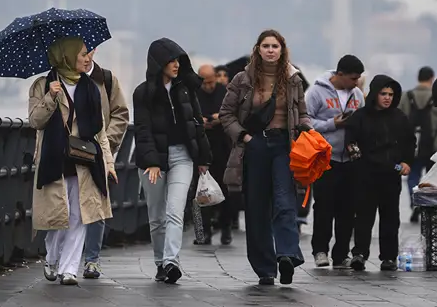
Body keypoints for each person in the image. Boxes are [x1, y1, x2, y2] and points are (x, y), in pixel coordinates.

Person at [220, 29, 312, 286]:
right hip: (256, 144)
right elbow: (226, 114)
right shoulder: (243, 79)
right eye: (266, 46)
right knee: (256, 207)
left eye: (275, 46)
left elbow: (302, 112)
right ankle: (264, 268)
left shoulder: (293, 79)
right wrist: (246, 138)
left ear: (282, 50)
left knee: (285, 200)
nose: (271, 50)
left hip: (285, 145)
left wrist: (307, 129)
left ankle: (286, 255)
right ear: (258, 49)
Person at [29, 37, 115, 286]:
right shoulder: (43, 85)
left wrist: (108, 163)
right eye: (83, 54)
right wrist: (50, 98)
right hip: (54, 159)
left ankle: (69, 269)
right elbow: (35, 121)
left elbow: (100, 132)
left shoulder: (91, 87)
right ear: (66, 56)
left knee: (80, 215)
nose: (88, 58)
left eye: (89, 54)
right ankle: (53, 258)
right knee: (58, 216)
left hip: (85, 159)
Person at [133, 38, 211, 284]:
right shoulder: (143, 93)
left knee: (175, 211)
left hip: (182, 157)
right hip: (153, 161)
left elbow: (197, 124)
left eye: (178, 60)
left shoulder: (184, 89)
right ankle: (160, 263)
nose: (176, 65)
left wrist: (203, 158)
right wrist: (152, 162)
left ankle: (171, 261)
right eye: (171, 61)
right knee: (156, 216)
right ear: (158, 63)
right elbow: (143, 131)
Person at [344, 74, 416, 272]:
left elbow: (409, 142)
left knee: (390, 217)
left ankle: (389, 257)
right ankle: (359, 253)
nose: (387, 98)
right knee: (364, 217)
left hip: (390, 176)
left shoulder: (399, 118)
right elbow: (351, 142)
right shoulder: (359, 117)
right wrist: (359, 163)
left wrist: (406, 162)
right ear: (375, 94)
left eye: (391, 94)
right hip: (365, 175)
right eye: (383, 93)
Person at [305, 54, 365, 268]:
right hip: (325, 158)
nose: (356, 82)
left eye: (358, 78)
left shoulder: (357, 94)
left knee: (348, 209)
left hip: (350, 159)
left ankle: (341, 253)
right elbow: (306, 122)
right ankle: (320, 250)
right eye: (352, 78)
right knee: (324, 207)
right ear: (340, 75)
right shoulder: (316, 91)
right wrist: (333, 124)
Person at [81, 52, 130, 279]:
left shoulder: (106, 79)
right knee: (70, 204)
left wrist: (106, 144)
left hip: (99, 152)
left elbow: (120, 113)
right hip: (70, 152)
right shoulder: (60, 80)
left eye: (89, 50)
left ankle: (92, 259)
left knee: (97, 203)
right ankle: (67, 258)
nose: (87, 55)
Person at [399, 66, 437, 222]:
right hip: (433, 147)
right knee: (432, 180)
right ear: (431, 78)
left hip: (411, 146)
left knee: (413, 176)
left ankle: (415, 202)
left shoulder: (406, 97)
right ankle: (429, 206)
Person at [195, 63, 236, 245]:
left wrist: (219, 118)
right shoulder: (194, 92)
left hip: (222, 146)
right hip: (201, 146)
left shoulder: (224, 91)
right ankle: (202, 231)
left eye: (211, 82)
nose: (209, 86)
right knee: (198, 191)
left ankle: (226, 228)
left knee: (225, 189)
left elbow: (231, 114)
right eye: (205, 83)